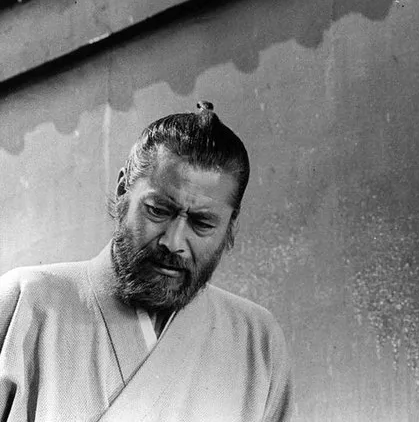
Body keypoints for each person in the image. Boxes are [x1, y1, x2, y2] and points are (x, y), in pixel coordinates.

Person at [0, 102, 292, 421]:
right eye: (158, 210)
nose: (174, 242)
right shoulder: (27, 302)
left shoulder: (256, 340)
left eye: (202, 223)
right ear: (123, 190)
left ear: (231, 226)